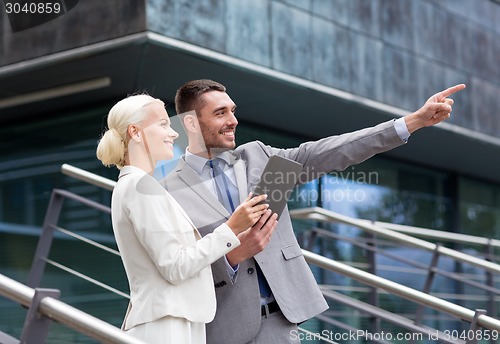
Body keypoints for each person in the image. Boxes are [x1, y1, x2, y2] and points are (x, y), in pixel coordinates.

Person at [164, 79, 467, 343]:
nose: (233, 120)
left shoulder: (258, 158)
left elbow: (331, 151)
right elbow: (174, 266)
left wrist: (411, 122)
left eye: (233, 110)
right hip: (220, 329)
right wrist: (231, 257)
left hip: (281, 323)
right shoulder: (169, 190)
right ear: (190, 123)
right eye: (220, 113)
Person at [95, 94, 278, 344]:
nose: (174, 133)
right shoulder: (139, 187)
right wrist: (231, 228)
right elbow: (175, 266)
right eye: (163, 124)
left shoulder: (142, 186)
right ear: (135, 132)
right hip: (167, 326)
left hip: (177, 320)